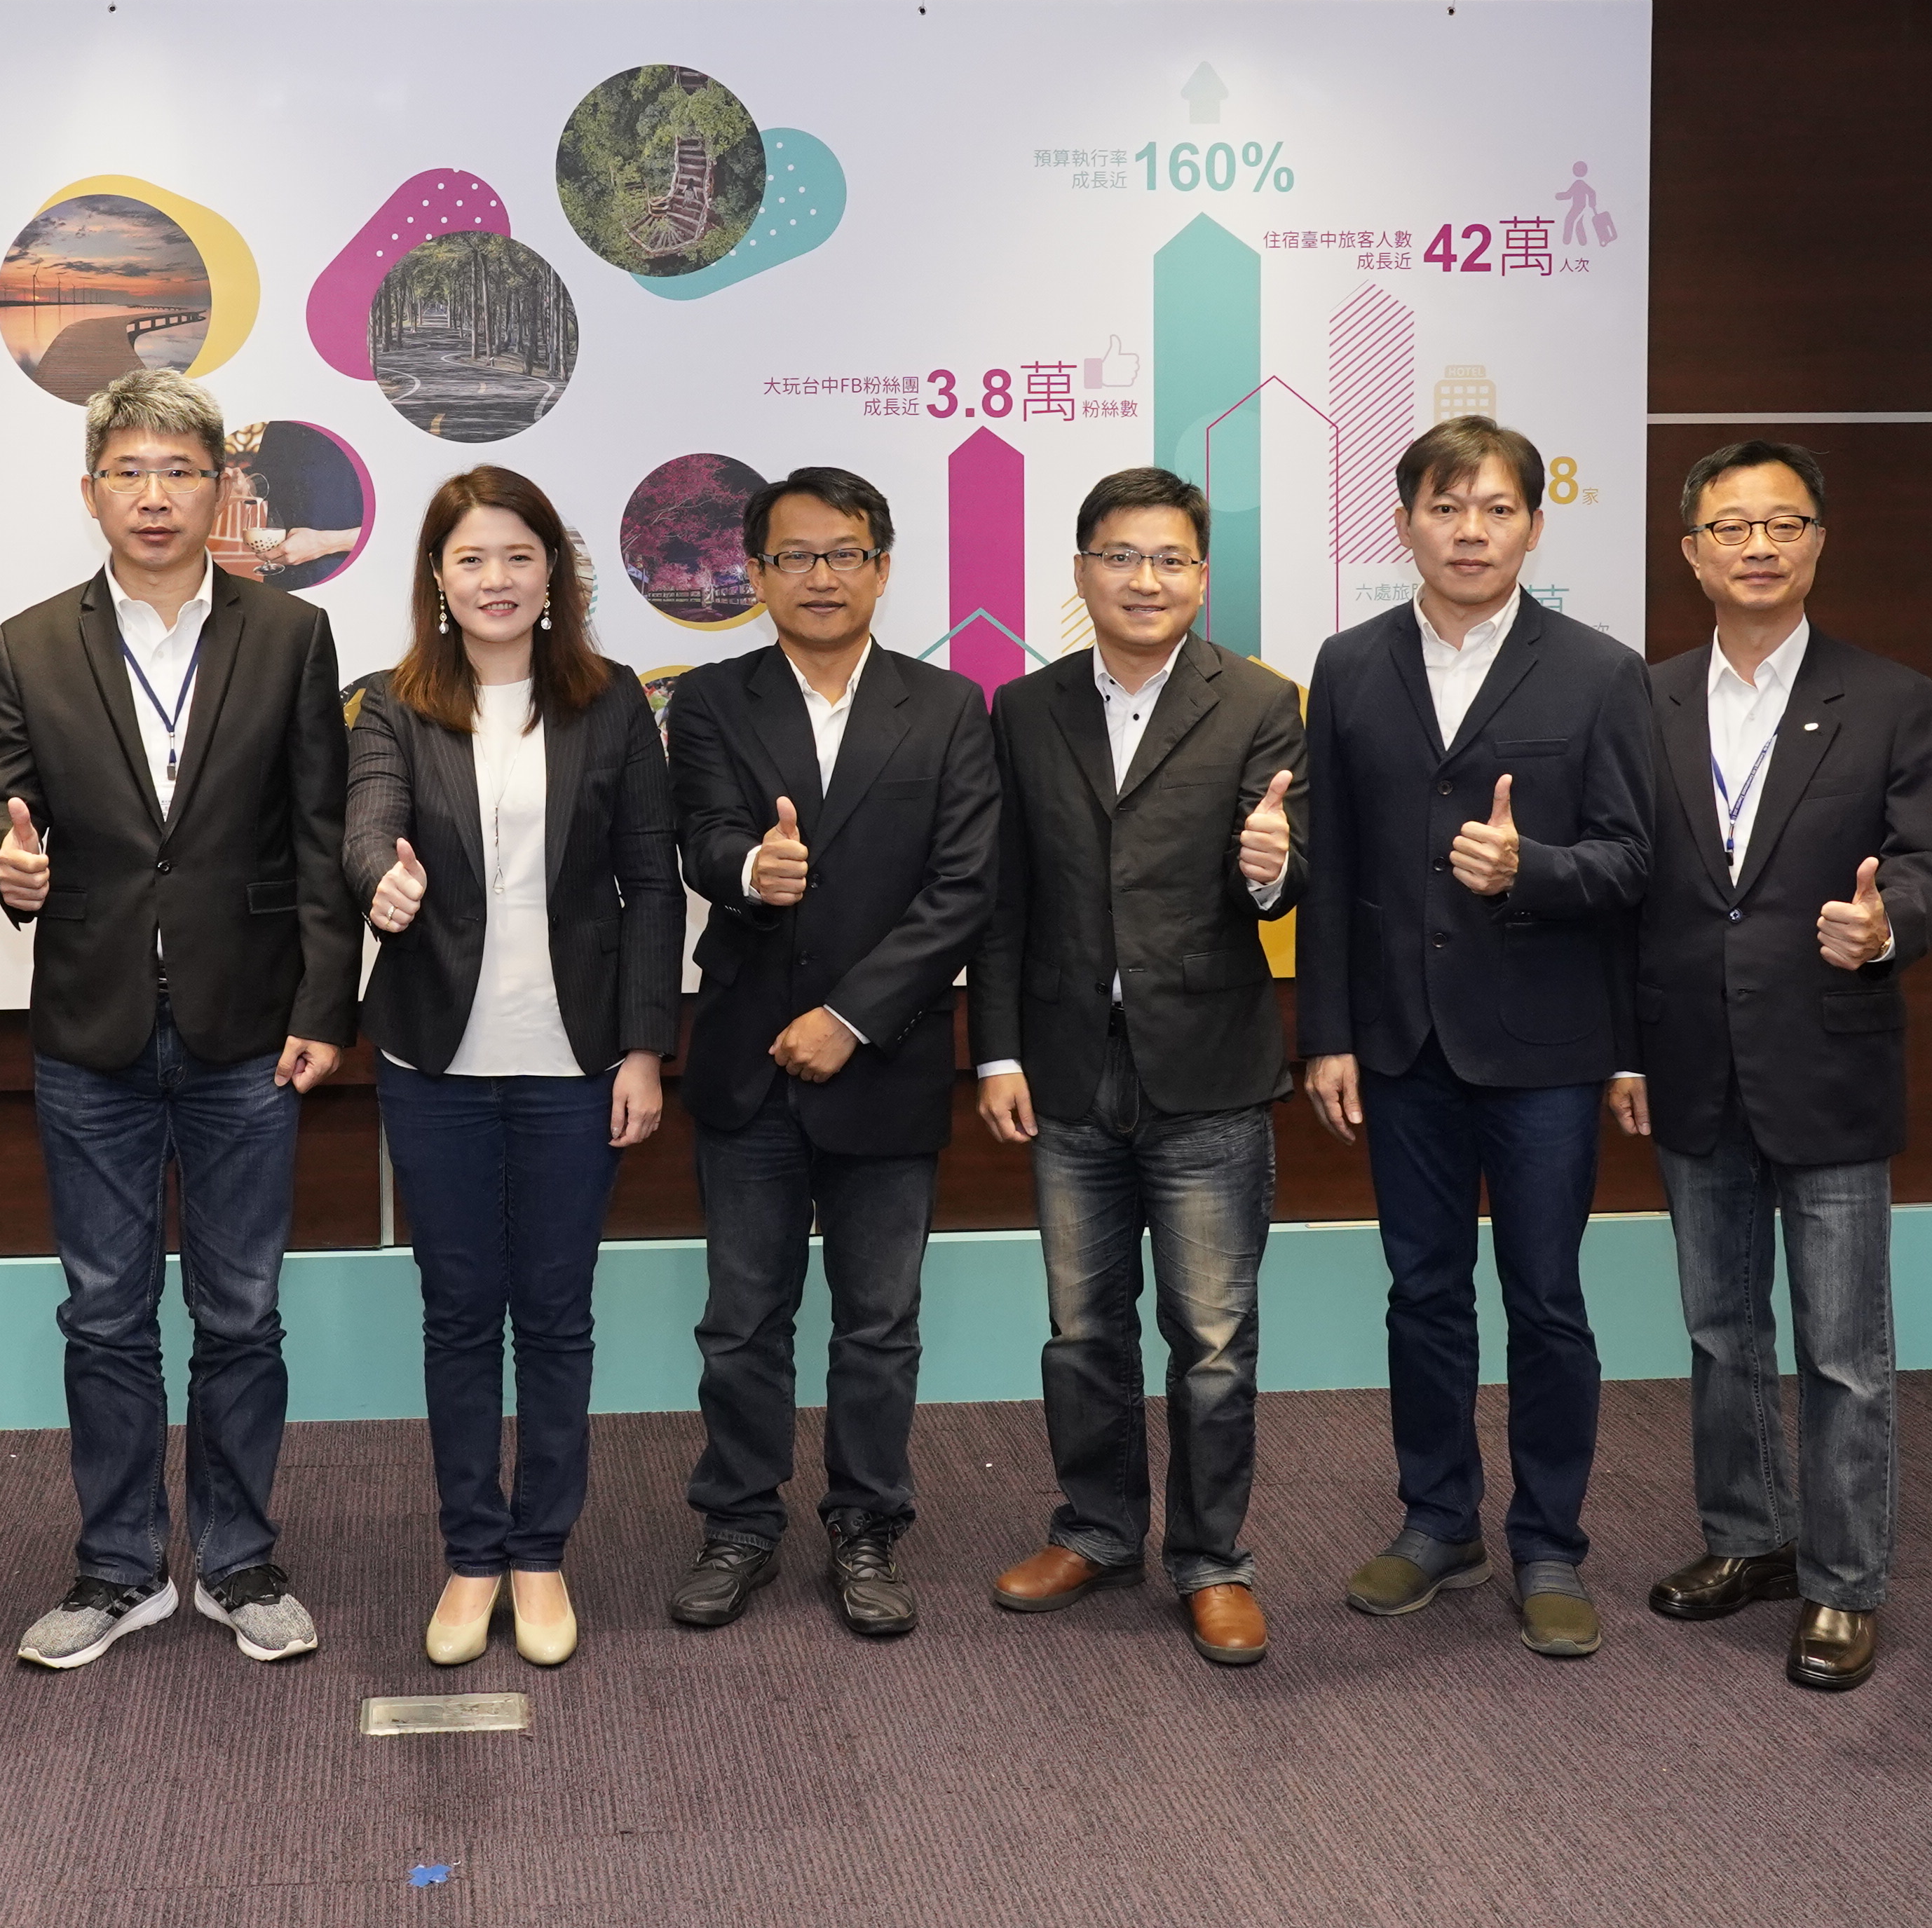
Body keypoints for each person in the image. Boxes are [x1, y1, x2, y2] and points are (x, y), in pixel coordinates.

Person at [0, 369, 360, 1671]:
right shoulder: (32, 642)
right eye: (128, 472)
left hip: (251, 1026)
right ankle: (119, 1567)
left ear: (219, 492)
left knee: (243, 1313)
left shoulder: (290, 637)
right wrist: (3, 858)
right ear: (91, 493)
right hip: (92, 1024)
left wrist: (325, 1002)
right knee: (104, 1315)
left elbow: (319, 832)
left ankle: (238, 1562)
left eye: (179, 472)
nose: (153, 496)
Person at [1297, 416, 1653, 1660]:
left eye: (1497, 509)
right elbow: (1332, 866)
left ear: (1534, 527)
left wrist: (1530, 868)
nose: (1470, 531)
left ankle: (1549, 1542)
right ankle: (1438, 1521)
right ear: (1405, 523)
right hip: (1401, 1043)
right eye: (1446, 508)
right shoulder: (1348, 664)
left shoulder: (1600, 671)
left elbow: (1632, 861)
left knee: (1547, 1299)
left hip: (1544, 1045)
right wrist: (1327, 1033)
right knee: (1424, 1295)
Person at [1614, 440, 1932, 1692]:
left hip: (1828, 1058)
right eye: (1732, 526)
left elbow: (1931, 867)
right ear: (1692, 551)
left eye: (1784, 523)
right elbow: (1627, 889)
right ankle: (1748, 1539)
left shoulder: (1890, 696)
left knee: (1844, 1348)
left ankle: (1845, 1583)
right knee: (1720, 1331)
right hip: (1690, 1062)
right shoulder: (1643, 699)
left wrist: (1886, 927)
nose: (1757, 546)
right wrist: (1623, 1049)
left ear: (1819, 542)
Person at [341, 466, 678, 1669]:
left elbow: (652, 883)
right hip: (435, 1059)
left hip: (576, 1061)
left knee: (556, 1314)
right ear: (438, 577)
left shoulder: (611, 700)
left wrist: (645, 1049)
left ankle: (540, 1554)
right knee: (457, 1311)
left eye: (519, 556)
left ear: (554, 573)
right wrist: (380, 878)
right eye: (471, 558)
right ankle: (470, 1554)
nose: (497, 579)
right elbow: (367, 820)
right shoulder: (391, 704)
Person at [974, 467, 1307, 1669]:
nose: (1145, 580)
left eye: (1170, 559)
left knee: (1211, 1341)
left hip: (1207, 1069)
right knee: (1081, 1329)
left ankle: (1213, 1560)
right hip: (1067, 1066)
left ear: (1202, 578)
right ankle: (1098, 1529)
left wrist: (1271, 869)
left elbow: (1290, 871)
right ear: (1082, 573)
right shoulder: (1024, 708)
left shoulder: (1260, 701)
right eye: (1120, 556)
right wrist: (997, 1050)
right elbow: (1003, 898)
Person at [662, 465, 999, 1640]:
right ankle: (739, 1523)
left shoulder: (948, 707)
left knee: (879, 1323)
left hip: (886, 1060)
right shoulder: (711, 700)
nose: (820, 577)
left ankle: (867, 1526)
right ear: (755, 575)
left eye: (844, 553)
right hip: (748, 1062)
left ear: (882, 568)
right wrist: (751, 871)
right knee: (741, 1320)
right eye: (794, 557)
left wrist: (850, 1017)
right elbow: (701, 836)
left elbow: (964, 888)